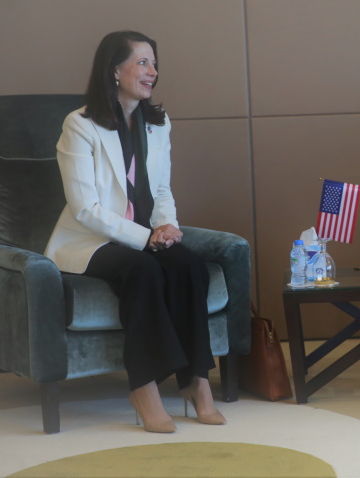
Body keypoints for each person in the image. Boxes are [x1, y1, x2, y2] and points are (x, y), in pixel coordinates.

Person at [45, 31, 226, 433]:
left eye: (154, 63)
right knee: (143, 270)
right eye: (142, 63)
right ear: (115, 70)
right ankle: (143, 388)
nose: (152, 72)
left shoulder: (158, 123)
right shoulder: (80, 125)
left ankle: (196, 381)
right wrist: (146, 239)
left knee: (190, 267)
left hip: (144, 234)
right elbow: (84, 208)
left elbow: (161, 189)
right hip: (90, 240)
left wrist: (166, 226)